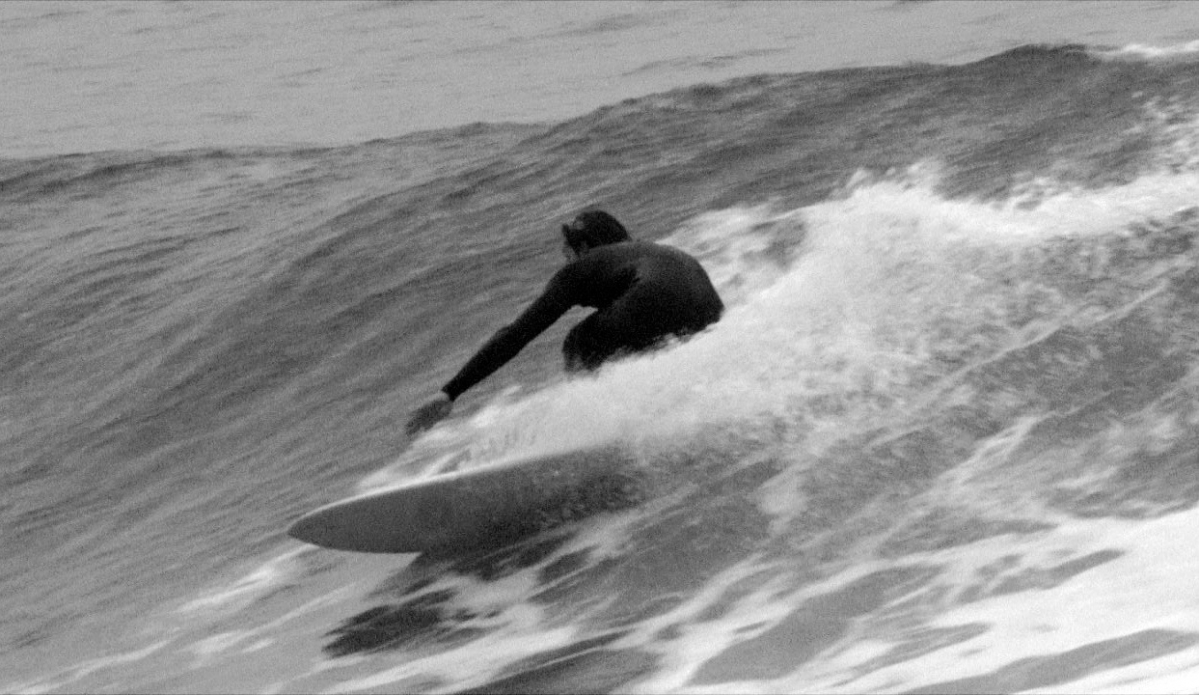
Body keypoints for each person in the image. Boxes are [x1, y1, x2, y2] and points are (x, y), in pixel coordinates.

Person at [405, 210, 724, 435]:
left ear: (583, 249)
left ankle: (597, 432)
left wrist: (451, 392)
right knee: (650, 349)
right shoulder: (654, 251)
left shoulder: (583, 267)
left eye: (567, 254)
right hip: (707, 304)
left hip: (652, 299)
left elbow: (518, 334)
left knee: (579, 342)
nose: (567, 262)